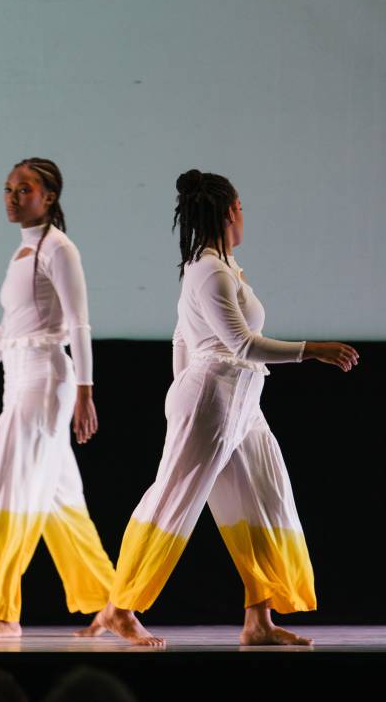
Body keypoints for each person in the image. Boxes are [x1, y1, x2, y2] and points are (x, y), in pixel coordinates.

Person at [97, 169, 360, 647]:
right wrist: (312, 350)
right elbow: (241, 343)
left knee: (263, 497)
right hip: (215, 398)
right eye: (242, 207)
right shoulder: (210, 271)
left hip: (241, 403)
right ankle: (119, 608)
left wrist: (180, 391)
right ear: (231, 210)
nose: (245, 215)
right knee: (174, 498)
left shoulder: (220, 266)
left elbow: (182, 335)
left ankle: (258, 620)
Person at [0, 158, 117, 639]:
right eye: (9, 189)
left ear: (49, 197)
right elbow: (9, 330)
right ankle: (111, 603)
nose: (13, 197)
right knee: (61, 503)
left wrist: (85, 393)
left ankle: (2, 611)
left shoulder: (59, 249)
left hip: (45, 382)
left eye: (25, 189)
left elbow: (78, 323)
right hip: (20, 380)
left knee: (2, 495)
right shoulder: (23, 253)